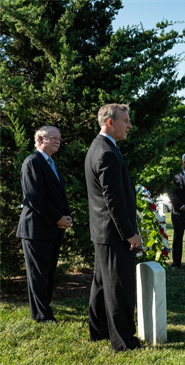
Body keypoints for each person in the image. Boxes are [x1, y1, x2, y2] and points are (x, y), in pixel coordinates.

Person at [85, 104, 142, 351]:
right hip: (113, 233)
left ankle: (99, 331)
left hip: (103, 231)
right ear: (111, 122)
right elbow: (113, 201)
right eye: (126, 121)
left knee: (101, 283)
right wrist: (129, 233)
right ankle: (124, 342)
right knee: (119, 287)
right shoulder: (106, 151)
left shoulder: (101, 147)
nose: (129, 125)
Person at [16, 126, 72, 323]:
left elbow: (58, 194)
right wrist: (58, 218)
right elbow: (35, 197)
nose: (58, 141)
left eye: (59, 138)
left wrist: (66, 216)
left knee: (48, 273)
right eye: (53, 138)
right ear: (40, 139)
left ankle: (45, 310)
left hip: (52, 228)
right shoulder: (32, 162)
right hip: (36, 230)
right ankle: (41, 316)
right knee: (38, 275)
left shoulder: (50, 163)